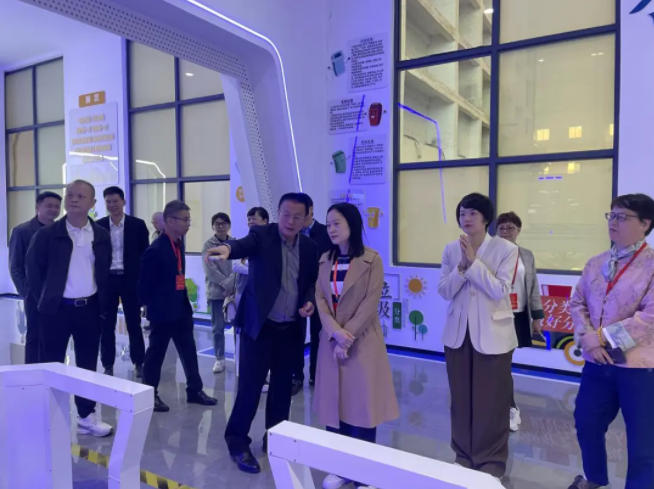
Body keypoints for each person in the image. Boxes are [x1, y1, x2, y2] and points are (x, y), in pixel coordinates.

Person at [207, 193, 319, 474]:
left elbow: (310, 282)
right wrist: (228, 249)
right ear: (278, 213)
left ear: (306, 218)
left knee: (282, 390)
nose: (290, 221)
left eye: (297, 216)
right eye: (286, 214)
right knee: (250, 388)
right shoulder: (262, 235)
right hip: (260, 328)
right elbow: (243, 244)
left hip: (290, 329)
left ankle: (275, 438)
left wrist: (309, 301)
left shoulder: (309, 247)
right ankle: (237, 441)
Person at [567, 193, 654, 489]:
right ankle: (594, 478)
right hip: (597, 362)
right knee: (586, 422)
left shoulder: (651, 265)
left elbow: (649, 318)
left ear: (645, 224)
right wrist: (588, 339)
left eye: (622, 217)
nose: (613, 222)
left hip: (639, 367)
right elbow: (577, 302)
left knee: (643, 439)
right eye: (611, 215)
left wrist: (601, 338)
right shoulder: (596, 263)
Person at [313, 202, 399, 489]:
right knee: (334, 405)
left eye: (336, 223)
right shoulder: (325, 259)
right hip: (332, 342)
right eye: (328, 224)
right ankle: (340, 468)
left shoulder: (371, 260)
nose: (331, 229)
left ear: (352, 224)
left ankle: (364, 474)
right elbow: (321, 300)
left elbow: (370, 303)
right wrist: (336, 333)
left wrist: (346, 335)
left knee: (362, 408)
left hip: (361, 343)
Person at [437, 192, 518, 479]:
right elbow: (444, 290)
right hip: (458, 334)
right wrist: (461, 267)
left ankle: (490, 461)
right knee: (460, 399)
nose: (466, 218)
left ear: (485, 218)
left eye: (472, 213)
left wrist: (473, 263)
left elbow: (499, 289)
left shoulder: (506, 249)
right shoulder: (451, 249)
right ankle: (462, 456)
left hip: (494, 335)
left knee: (492, 401)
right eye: (462, 213)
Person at [25, 180, 113, 437]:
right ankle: (49, 417)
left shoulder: (101, 235)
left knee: (87, 364)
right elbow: (33, 271)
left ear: (92, 203)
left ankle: (86, 417)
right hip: (56, 311)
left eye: (80, 196)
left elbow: (104, 271)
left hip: (89, 309)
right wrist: (45, 299)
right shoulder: (47, 235)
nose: (73, 199)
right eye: (70, 195)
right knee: (51, 363)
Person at [140, 200, 218, 413]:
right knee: (156, 355)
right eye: (185, 220)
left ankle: (195, 390)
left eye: (188, 220)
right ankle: (149, 394)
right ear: (170, 221)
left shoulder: (178, 243)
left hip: (181, 309)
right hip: (162, 313)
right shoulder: (156, 250)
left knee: (189, 351)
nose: (188, 224)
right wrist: (152, 308)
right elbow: (144, 285)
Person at [496, 211, 545, 432]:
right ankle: (508, 407)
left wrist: (537, 317)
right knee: (500, 364)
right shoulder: (489, 253)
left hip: (518, 314)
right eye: (502, 228)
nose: (506, 231)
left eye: (511, 228)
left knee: (504, 364)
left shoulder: (526, 255)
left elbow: (533, 286)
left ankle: (509, 408)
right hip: (495, 315)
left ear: (518, 230)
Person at [97, 186, 149, 378]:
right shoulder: (98, 226)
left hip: (130, 280)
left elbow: (145, 255)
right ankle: (108, 364)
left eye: (115, 201)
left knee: (134, 323)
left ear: (123, 202)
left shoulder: (137, 225)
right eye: (108, 202)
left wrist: (143, 282)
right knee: (106, 325)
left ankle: (139, 362)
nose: (112, 205)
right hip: (107, 281)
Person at [8, 191, 61, 363]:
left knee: (54, 335)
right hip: (34, 294)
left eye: (57, 206)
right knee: (35, 335)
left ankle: (52, 369)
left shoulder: (61, 230)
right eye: (49, 206)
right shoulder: (22, 231)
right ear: (38, 206)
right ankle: (31, 370)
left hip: (58, 292)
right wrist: (27, 292)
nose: (53, 209)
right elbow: (15, 266)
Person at [291, 193, 332, 394]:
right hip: (296, 292)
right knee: (296, 336)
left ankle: (316, 374)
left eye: (298, 214)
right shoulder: (291, 234)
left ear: (310, 212)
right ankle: (296, 376)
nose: (293, 219)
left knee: (318, 334)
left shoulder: (326, 233)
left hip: (321, 292)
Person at [202, 212, 235, 374]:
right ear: (213, 226)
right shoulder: (208, 245)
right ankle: (219, 359)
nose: (220, 226)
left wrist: (232, 284)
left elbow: (239, 264)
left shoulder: (235, 243)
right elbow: (210, 270)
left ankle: (240, 357)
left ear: (228, 225)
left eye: (223, 223)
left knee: (238, 328)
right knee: (218, 328)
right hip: (216, 292)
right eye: (217, 224)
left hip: (234, 292)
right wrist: (225, 283)